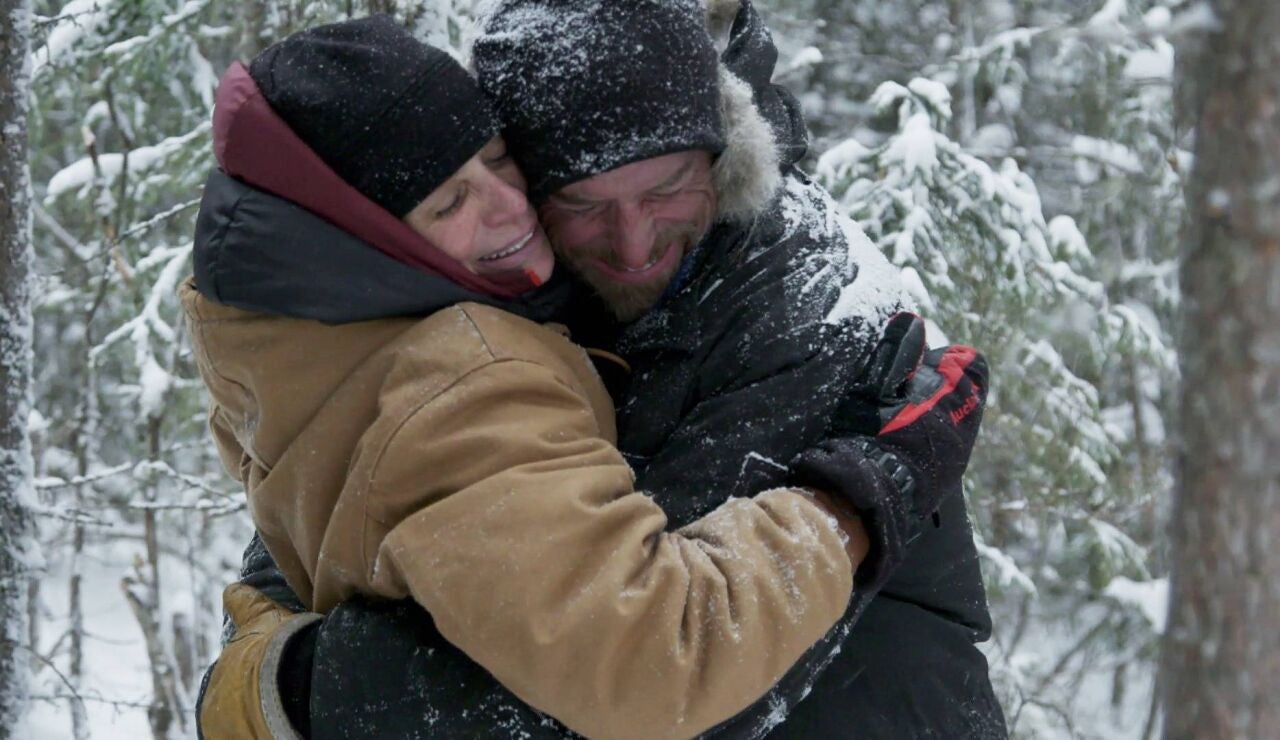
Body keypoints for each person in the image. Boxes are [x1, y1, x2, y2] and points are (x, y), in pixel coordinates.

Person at [187, 14, 985, 740]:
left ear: (721, 157)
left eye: (668, 187)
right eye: (579, 200)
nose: (633, 246)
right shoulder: (496, 290)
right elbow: (354, 486)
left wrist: (305, 688)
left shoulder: (798, 312)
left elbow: (655, 668)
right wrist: (277, 643)